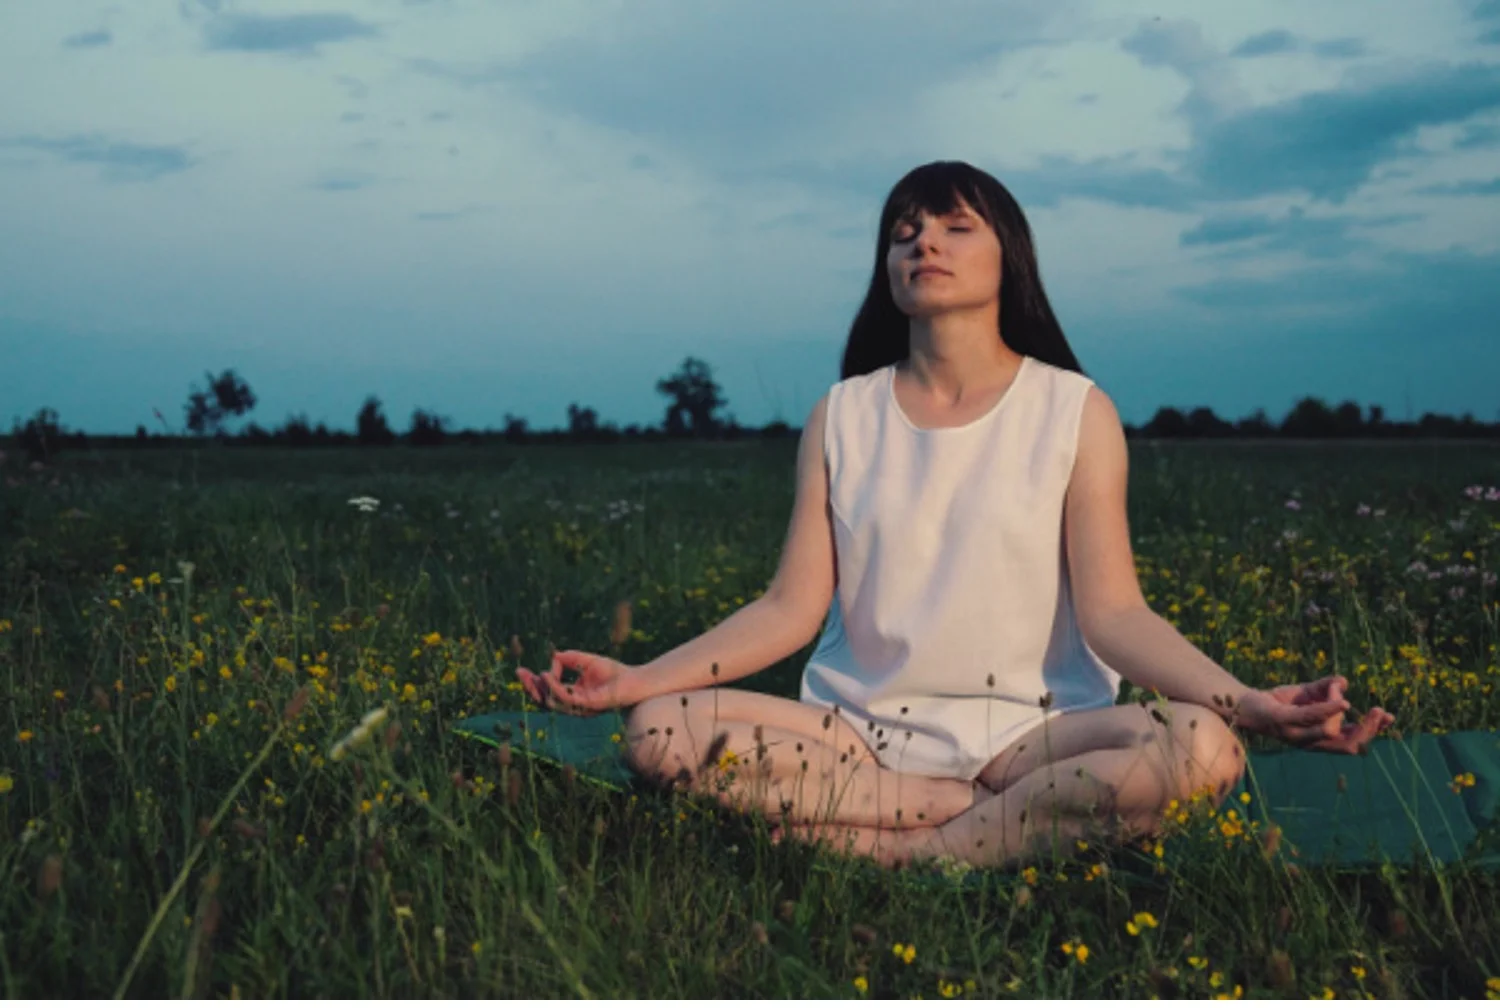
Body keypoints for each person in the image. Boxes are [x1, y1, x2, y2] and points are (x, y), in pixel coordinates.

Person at [517, 160, 1394, 871]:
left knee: (1204, 750)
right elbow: (789, 610)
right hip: (855, 739)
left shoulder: (1073, 409)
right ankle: (963, 820)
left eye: (951, 226)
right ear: (886, 270)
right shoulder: (842, 415)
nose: (921, 241)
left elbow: (1116, 614)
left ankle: (917, 855)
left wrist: (1246, 704)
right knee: (658, 735)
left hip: (1040, 734)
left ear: (1007, 255)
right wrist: (638, 679)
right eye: (903, 232)